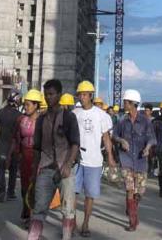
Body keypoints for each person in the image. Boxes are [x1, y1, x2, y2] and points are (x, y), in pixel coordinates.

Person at [29, 81, 80, 240]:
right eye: (46, 94)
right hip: (45, 168)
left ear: (59, 95)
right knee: (39, 208)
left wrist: (67, 164)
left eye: (51, 94)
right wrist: (33, 172)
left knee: (67, 208)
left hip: (64, 169)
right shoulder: (41, 119)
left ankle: (66, 235)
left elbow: (75, 144)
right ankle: (33, 236)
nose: (48, 97)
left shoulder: (68, 117)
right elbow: (36, 148)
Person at [73, 80, 117, 237]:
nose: (82, 97)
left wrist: (110, 158)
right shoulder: (75, 114)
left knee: (90, 195)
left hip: (94, 161)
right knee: (72, 193)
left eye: (85, 95)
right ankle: (71, 222)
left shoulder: (102, 115)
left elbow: (106, 138)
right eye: (80, 94)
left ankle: (85, 223)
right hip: (77, 160)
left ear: (91, 96)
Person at [113, 89, 156, 232]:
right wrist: (121, 140)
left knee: (139, 193)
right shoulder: (122, 121)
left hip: (141, 161)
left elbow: (151, 138)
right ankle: (133, 221)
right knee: (130, 190)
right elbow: (114, 135)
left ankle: (130, 207)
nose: (124, 104)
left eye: (125, 102)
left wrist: (148, 148)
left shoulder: (145, 121)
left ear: (132, 104)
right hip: (126, 160)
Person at [16, 89, 42, 228]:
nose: (25, 107)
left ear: (36, 105)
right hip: (24, 157)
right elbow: (18, 138)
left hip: (38, 158)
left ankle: (33, 217)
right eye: (24, 105)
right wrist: (17, 154)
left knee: (36, 187)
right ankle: (26, 211)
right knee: (24, 187)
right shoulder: (21, 120)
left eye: (28, 105)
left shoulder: (43, 121)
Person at [0, 92, 22, 203]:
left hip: (2, 145)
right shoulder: (19, 115)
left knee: (1, 169)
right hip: (14, 146)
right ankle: (10, 192)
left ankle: (2, 191)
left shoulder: (1, 112)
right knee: (13, 169)